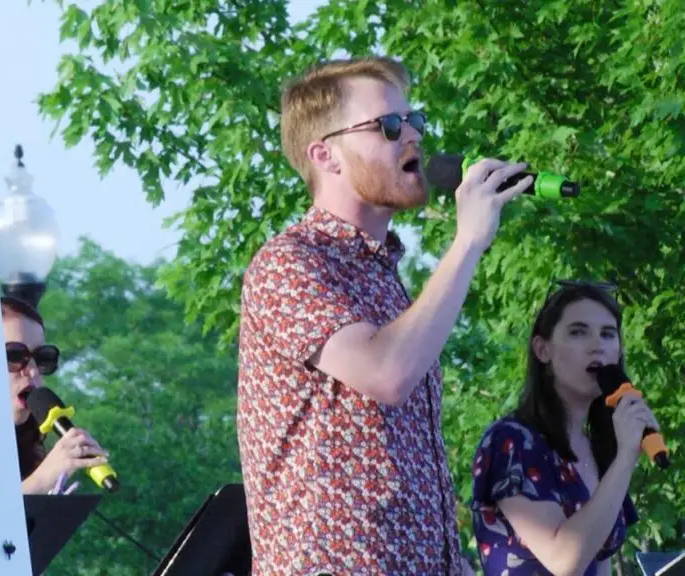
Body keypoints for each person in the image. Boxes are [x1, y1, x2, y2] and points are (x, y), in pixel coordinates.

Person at [237, 55, 534, 575]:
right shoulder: (289, 263)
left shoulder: (388, 280)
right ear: (325, 155)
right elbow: (387, 374)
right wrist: (467, 241)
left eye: (414, 120)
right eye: (389, 126)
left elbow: (407, 465)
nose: (413, 136)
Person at [470, 281, 657, 575]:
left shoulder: (600, 446)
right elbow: (564, 559)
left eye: (608, 334)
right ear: (543, 350)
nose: (597, 345)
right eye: (578, 332)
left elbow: (600, 562)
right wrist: (625, 458)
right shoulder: (512, 439)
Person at [1, 295, 109, 495]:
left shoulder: (24, 450)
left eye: (43, 357)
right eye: (15, 356)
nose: (32, 371)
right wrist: (40, 481)